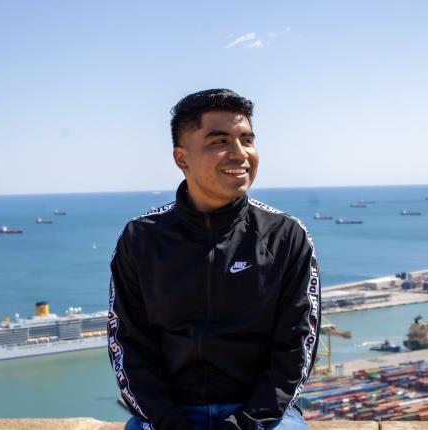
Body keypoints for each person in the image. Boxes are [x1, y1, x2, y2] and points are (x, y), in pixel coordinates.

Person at [108, 89, 321, 430]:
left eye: (247, 140)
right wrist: (170, 421)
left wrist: (244, 423)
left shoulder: (286, 236)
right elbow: (128, 346)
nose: (240, 153)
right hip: (170, 416)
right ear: (182, 159)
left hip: (261, 415)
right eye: (220, 141)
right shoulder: (141, 238)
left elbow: (296, 348)